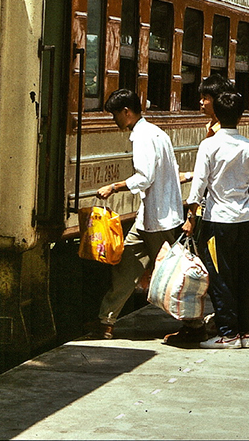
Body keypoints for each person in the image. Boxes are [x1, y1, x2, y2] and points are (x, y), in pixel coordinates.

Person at [86, 89, 185, 340]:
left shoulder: (143, 137)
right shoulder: (156, 132)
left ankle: (193, 323)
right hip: (150, 216)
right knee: (126, 264)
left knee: (171, 273)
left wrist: (114, 187)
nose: (114, 120)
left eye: (115, 115)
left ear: (127, 112)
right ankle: (105, 321)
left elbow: (145, 177)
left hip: (159, 218)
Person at [183, 91, 249, 349]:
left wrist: (191, 216)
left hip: (219, 222)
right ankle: (245, 334)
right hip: (245, 220)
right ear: (241, 116)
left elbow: (199, 186)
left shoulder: (209, 145)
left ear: (217, 113)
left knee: (220, 277)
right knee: (243, 277)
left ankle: (228, 334)